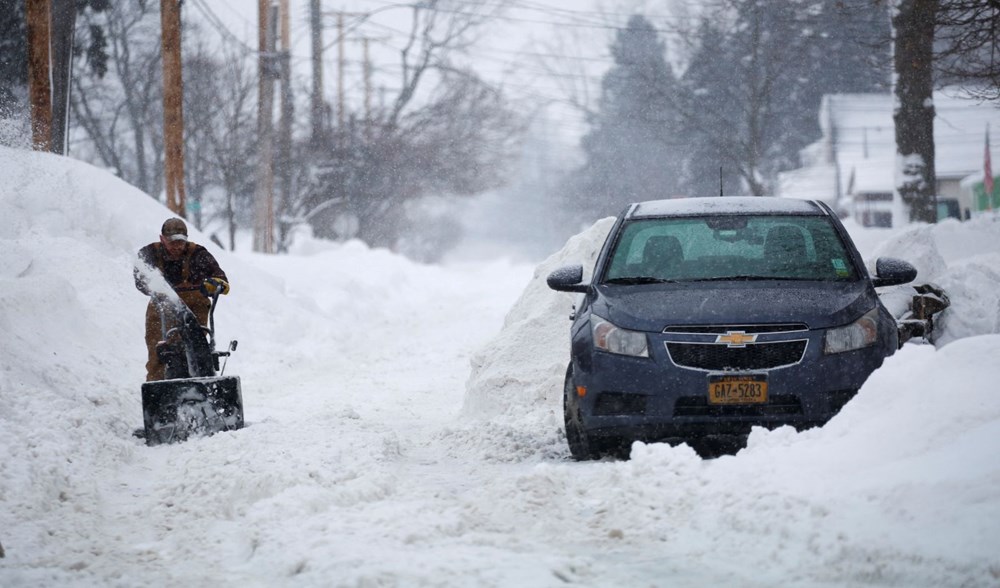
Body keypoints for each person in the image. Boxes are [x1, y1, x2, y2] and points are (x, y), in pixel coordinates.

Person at [134, 218, 230, 381]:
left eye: (181, 241)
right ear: (162, 238)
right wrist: (152, 285)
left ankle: (199, 385)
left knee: (195, 351)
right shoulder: (150, 253)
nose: (177, 246)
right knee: (158, 354)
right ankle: (158, 388)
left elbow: (221, 279)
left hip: (195, 309)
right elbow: (140, 281)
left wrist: (215, 285)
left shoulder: (198, 254)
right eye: (172, 242)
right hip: (161, 309)